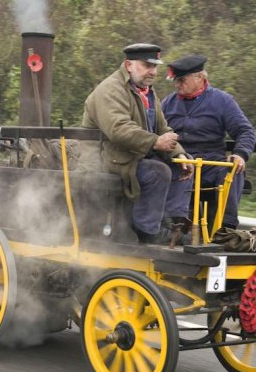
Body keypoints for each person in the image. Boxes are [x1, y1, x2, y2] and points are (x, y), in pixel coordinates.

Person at [82, 43, 194, 244]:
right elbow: (119, 129)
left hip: (135, 155)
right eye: (146, 66)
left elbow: (163, 128)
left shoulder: (147, 91)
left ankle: (170, 224)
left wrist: (179, 154)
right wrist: (155, 142)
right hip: (107, 159)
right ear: (128, 65)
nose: (152, 72)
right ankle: (146, 231)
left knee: (185, 164)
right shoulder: (110, 90)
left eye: (155, 67)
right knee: (158, 171)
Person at [161, 55, 256, 229]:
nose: (177, 85)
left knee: (233, 170)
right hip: (179, 161)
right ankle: (175, 225)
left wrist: (240, 153)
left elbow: (245, 131)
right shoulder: (168, 103)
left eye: (182, 80)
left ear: (200, 77)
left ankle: (225, 227)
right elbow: (154, 131)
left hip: (210, 163)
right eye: (176, 81)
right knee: (178, 166)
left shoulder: (223, 101)